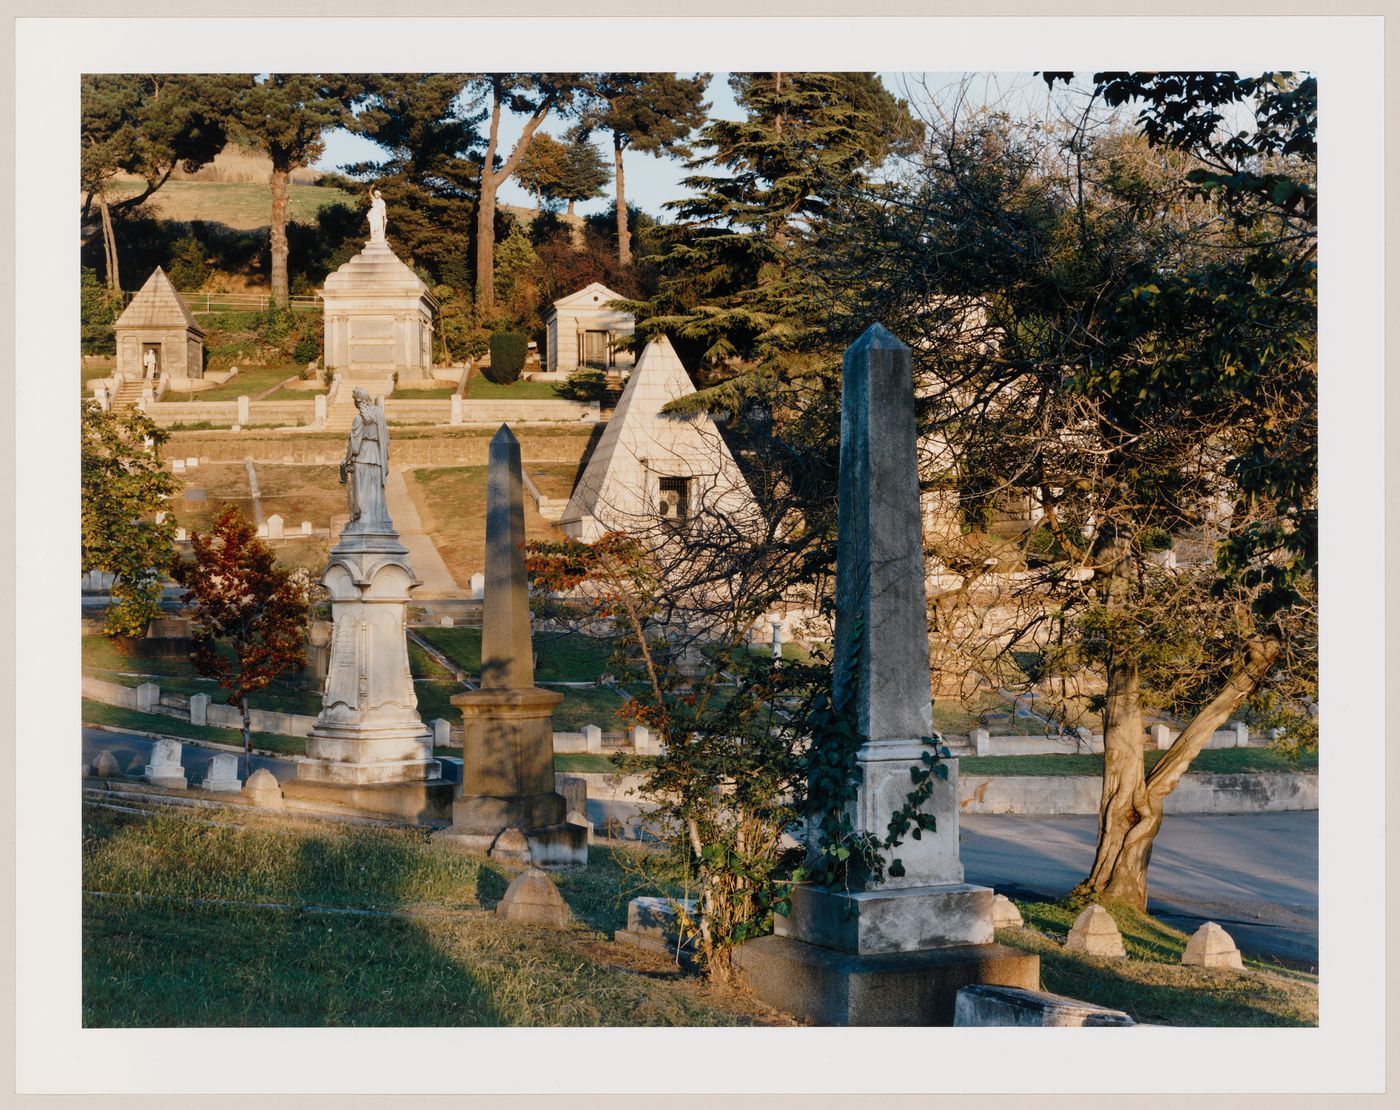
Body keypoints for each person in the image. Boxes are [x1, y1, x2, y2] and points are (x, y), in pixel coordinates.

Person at [341, 389, 389, 527]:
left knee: (362, 490)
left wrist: (346, 460)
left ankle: (364, 518)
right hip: (377, 458)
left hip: (362, 458)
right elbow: (386, 440)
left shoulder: (358, 419)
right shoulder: (380, 415)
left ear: (357, 402)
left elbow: (355, 446)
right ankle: (376, 518)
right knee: (375, 491)